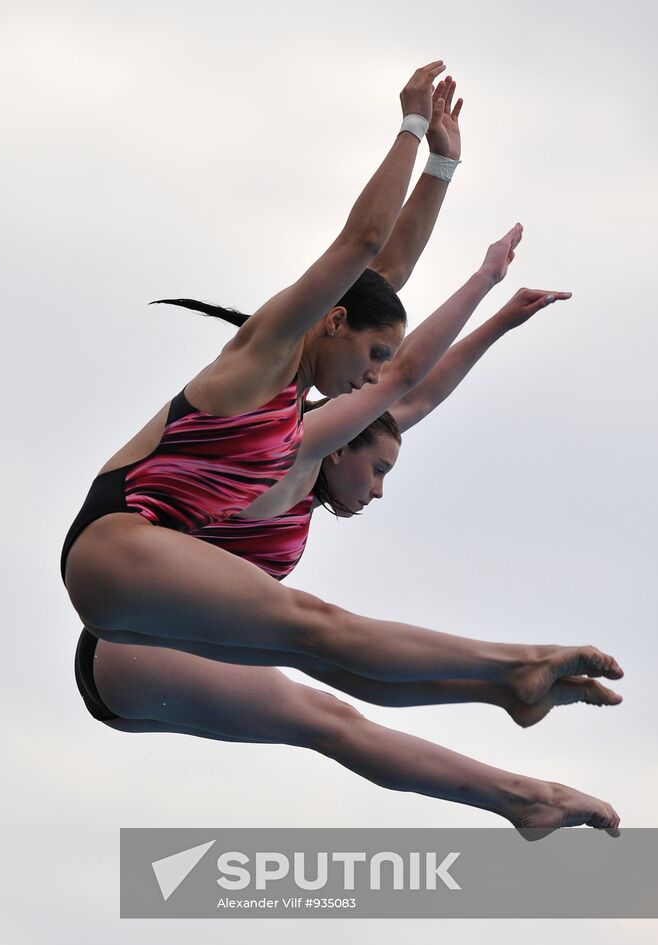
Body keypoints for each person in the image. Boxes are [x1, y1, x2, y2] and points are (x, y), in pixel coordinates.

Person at [62, 63, 622, 835]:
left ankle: (518, 757)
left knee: (335, 679)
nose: (371, 375)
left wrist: (444, 170)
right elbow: (365, 252)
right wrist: (411, 128)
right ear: (330, 322)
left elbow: (395, 326)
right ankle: (513, 669)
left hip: (149, 614)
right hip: (116, 562)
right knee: (319, 637)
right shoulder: (259, 366)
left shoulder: (299, 423)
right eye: (369, 353)